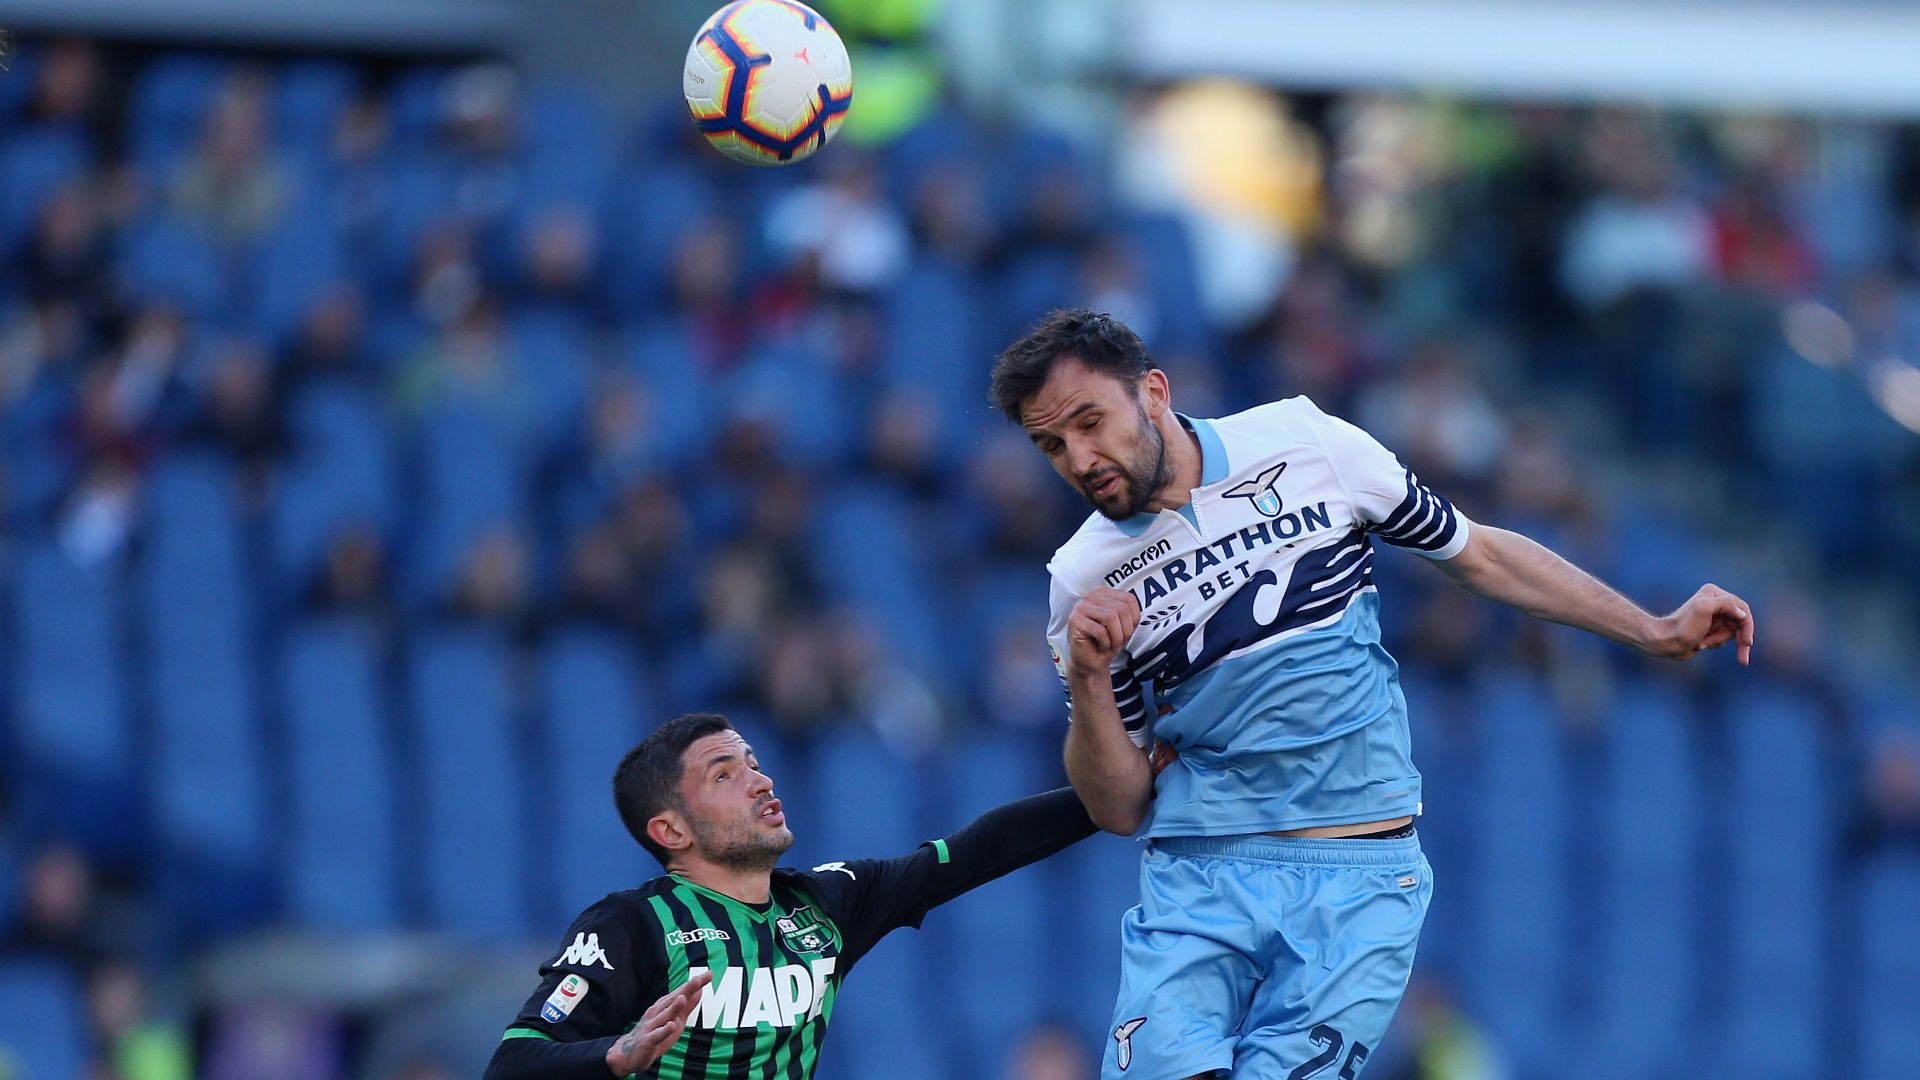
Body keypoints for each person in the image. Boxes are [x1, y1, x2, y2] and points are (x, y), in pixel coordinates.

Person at [989, 309, 1754, 1080]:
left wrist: (1654, 632)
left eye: (1091, 422)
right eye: (1052, 445)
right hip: (1200, 880)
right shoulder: (1080, 584)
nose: (1080, 459)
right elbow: (1116, 807)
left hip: (1359, 882)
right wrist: (1088, 678)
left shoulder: (1304, 442)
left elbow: (1480, 555)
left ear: (1152, 392)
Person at [482, 712, 1097, 1079]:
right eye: (724, 774)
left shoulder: (826, 904)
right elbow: (514, 1063)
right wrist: (617, 1054)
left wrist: (1111, 794)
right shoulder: (632, 924)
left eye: (752, 762)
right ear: (670, 829)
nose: (760, 780)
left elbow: (977, 851)